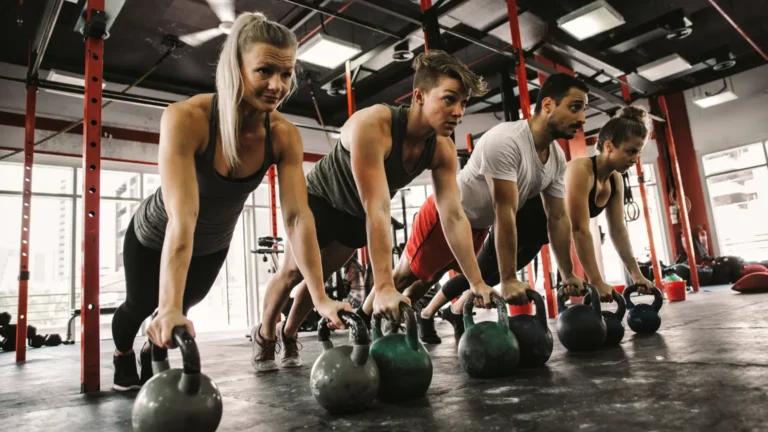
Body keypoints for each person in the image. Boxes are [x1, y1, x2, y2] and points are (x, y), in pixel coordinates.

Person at [110, 12, 351, 391]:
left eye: (286, 74)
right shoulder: (187, 118)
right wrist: (166, 305)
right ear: (236, 68)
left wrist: (319, 298)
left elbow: (297, 217)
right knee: (139, 305)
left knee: (183, 306)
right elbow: (182, 217)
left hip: (212, 243)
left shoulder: (283, 134)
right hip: (157, 233)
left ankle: (150, 345)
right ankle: (122, 353)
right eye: (264, 71)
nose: (277, 85)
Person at [253, 50, 496, 371]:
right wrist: (382, 287)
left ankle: (289, 333)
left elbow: (452, 216)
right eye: (449, 99)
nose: (458, 112)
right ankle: (266, 334)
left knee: (320, 279)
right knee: (292, 274)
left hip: (355, 217)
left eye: (463, 103)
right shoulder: (374, 125)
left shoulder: (442, 149)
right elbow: (378, 206)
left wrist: (476, 281)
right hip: (319, 201)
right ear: (419, 96)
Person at [410, 73, 592, 343]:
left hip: (478, 226)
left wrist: (567, 274)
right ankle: (382, 324)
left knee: (462, 278)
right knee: (415, 278)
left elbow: (557, 218)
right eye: (575, 107)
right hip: (446, 215)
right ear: (548, 105)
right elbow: (504, 211)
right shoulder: (507, 140)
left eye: (584, 109)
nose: (582, 118)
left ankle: (425, 317)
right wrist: (508, 279)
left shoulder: (556, 157)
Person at [563, 106, 655, 298]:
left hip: (539, 239)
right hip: (520, 230)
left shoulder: (614, 179)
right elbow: (579, 229)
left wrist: (636, 275)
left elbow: (618, 229)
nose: (635, 160)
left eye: (638, 153)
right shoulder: (581, 169)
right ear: (609, 146)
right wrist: (596, 281)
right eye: (630, 151)